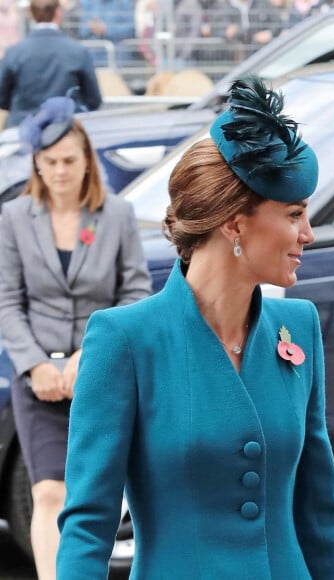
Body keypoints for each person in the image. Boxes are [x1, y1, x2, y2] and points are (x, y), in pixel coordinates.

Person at [56, 76, 334, 579]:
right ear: (234, 224)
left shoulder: (299, 327)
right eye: (293, 214)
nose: (308, 234)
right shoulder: (125, 339)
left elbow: (321, 514)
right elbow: (89, 523)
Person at [0, 96, 152, 580]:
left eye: (69, 160)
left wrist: (91, 355)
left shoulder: (118, 215)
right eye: (50, 162)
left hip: (98, 371)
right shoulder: (13, 218)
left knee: (97, 489)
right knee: (47, 491)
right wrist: (34, 364)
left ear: (87, 159)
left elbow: (135, 292)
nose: (61, 171)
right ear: (36, 165)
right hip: (38, 376)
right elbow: (7, 301)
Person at [0, 0, 102, 128]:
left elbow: (2, 98)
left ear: (29, 13)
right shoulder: (78, 52)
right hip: (66, 130)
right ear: (58, 13)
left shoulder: (14, 53)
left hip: (22, 129)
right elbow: (93, 100)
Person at [79, 0, 136, 67]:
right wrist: (91, 26)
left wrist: (106, 29)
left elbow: (131, 30)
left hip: (118, 59)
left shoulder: (124, 3)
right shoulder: (89, 3)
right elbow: (81, 30)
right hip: (94, 60)